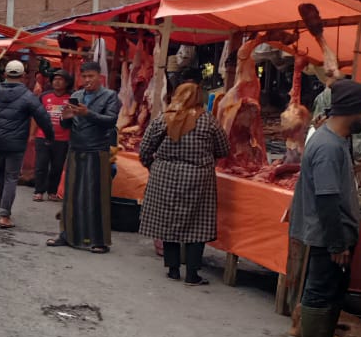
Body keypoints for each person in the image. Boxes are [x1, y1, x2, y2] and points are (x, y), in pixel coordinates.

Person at [289, 79, 361, 337]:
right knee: (320, 288)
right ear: (352, 110)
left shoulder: (337, 141)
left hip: (334, 230)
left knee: (333, 288)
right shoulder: (327, 146)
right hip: (327, 232)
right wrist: (337, 242)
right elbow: (326, 199)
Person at [137, 77, 230, 286]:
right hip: (197, 176)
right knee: (197, 224)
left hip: (164, 175)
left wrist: (152, 166)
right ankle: (192, 274)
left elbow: (145, 149)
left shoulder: (163, 119)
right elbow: (224, 149)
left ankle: (172, 269)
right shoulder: (208, 120)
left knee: (167, 221)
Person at [48, 61, 120, 253]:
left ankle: (99, 240)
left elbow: (111, 121)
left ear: (99, 77)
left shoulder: (110, 96)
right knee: (71, 194)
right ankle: (66, 234)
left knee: (96, 196)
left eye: (91, 76)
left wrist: (88, 114)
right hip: (76, 148)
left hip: (97, 150)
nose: (88, 80)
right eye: (85, 76)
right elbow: (67, 126)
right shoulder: (76, 95)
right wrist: (65, 118)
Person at [0, 60, 52, 228]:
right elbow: (42, 117)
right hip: (16, 143)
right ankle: (4, 214)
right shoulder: (28, 96)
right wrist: (50, 136)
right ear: (23, 76)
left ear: (5, 74)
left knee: (0, 176)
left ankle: (3, 210)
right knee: (11, 177)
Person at [34, 70, 72, 202]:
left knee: (57, 166)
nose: (57, 81)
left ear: (67, 83)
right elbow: (36, 116)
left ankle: (52, 191)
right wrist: (32, 134)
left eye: (61, 79)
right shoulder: (44, 96)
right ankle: (39, 191)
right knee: (41, 165)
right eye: (55, 79)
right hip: (43, 136)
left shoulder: (72, 98)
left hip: (63, 139)